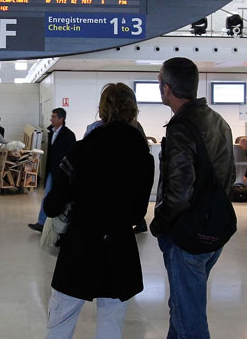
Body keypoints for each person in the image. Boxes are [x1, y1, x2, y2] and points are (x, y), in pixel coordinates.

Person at [43, 83, 154, 339]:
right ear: (133, 111)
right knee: (111, 325)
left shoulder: (82, 150)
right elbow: (138, 215)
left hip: (81, 247)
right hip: (119, 251)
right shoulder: (143, 158)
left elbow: (52, 205)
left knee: (61, 320)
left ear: (102, 110)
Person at [150, 58, 235, 339]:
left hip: (188, 236)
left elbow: (179, 192)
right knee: (183, 307)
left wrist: (159, 224)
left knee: (190, 322)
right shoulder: (218, 121)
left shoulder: (181, 128)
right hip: (214, 229)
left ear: (167, 88)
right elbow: (228, 176)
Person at [28, 107, 76, 233]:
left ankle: (63, 225)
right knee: (47, 196)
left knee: (63, 198)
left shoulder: (69, 135)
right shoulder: (51, 133)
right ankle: (41, 223)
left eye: (54, 116)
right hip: (52, 171)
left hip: (62, 172)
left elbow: (71, 155)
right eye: (52, 116)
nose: (51, 119)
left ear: (61, 119)